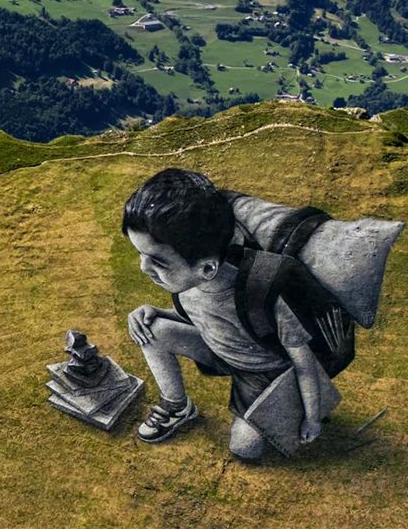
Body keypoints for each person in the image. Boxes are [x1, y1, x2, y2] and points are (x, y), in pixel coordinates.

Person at [122, 168, 338, 463]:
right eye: (141, 255)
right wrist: (157, 312)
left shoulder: (261, 294)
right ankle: (177, 406)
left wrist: (312, 418)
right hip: (220, 352)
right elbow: (203, 319)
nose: (143, 268)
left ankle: (291, 410)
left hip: (266, 374)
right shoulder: (189, 284)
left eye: (157, 261)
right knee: (152, 330)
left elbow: (304, 363)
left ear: (207, 268)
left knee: (244, 447)